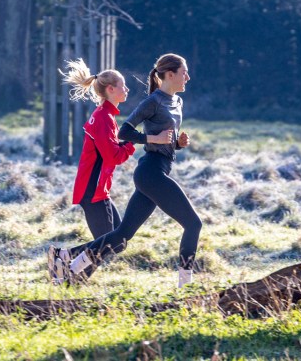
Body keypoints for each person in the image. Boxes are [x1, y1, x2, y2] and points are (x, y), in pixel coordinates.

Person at [49, 53, 201, 288]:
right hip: (150, 173)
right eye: (184, 73)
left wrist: (176, 143)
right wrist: (153, 138)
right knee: (193, 224)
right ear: (170, 75)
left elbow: (163, 141)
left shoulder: (177, 103)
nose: (188, 77)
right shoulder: (153, 101)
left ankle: (69, 264)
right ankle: (186, 288)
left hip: (159, 169)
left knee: (121, 236)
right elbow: (125, 133)